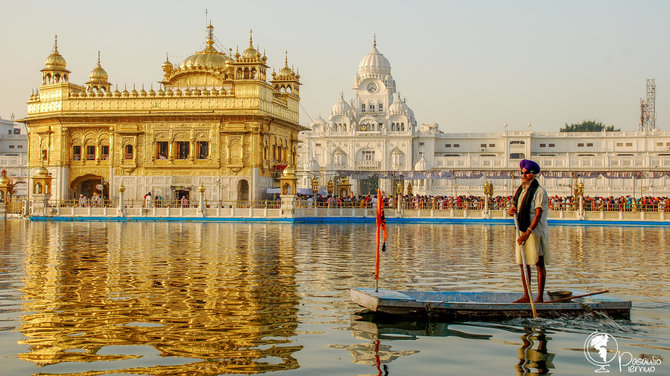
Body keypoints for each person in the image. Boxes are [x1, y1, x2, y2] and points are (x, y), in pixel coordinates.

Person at [508, 159, 550, 303]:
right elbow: (516, 208)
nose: (524, 175)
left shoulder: (539, 191)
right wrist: (512, 211)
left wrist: (528, 233)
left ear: (534, 175)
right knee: (523, 263)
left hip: (535, 231)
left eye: (527, 173)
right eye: (522, 173)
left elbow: (538, 214)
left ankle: (539, 298)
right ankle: (527, 295)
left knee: (539, 263)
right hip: (522, 230)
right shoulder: (521, 190)